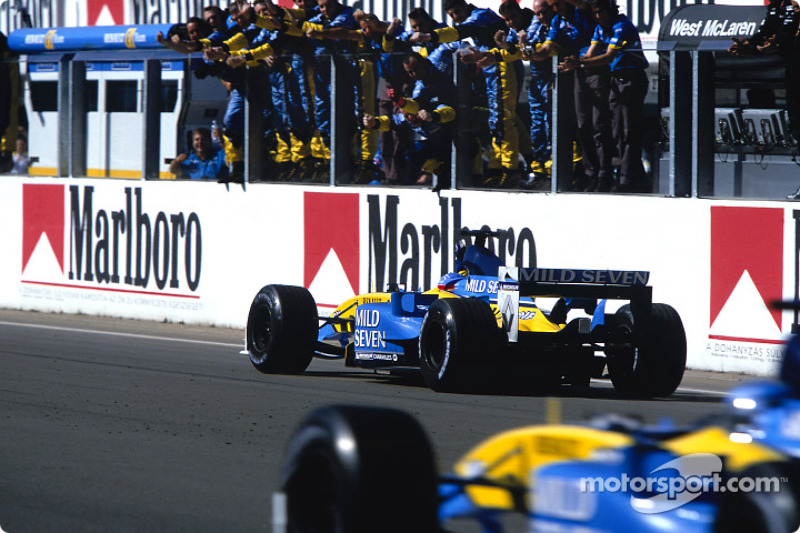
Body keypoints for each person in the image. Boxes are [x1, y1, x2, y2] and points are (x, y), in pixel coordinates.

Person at [410, 0, 522, 188]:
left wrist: (430, 36)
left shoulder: (479, 16)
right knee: (501, 120)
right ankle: (502, 166)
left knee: (503, 119)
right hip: (492, 69)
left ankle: (509, 169)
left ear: (464, 5)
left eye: (457, 12)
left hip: (503, 66)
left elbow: (459, 32)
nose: (456, 17)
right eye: (451, 15)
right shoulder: (472, 20)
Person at [560, 0, 649, 193]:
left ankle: (627, 178)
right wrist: (576, 62)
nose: (598, 17)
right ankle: (633, 175)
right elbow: (591, 53)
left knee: (627, 130)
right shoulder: (600, 28)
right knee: (617, 131)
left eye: (601, 12)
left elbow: (608, 56)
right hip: (616, 80)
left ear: (610, 10)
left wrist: (581, 64)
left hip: (631, 79)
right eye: (595, 14)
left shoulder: (621, 26)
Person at [728, 0, 800, 199]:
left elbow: (785, 35)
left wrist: (771, 46)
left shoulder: (792, 5)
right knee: (796, 124)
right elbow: (767, 30)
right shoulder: (776, 7)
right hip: (794, 73)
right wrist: (750, 45)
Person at [364, 53, 457, 185]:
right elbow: (391, 121)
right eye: (410, 72)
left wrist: (433, 116)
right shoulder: (410, 110)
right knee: (413, 153)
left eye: (416, 69)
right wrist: (374, 123)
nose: (413, 74)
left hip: (454, 140)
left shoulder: (430, 106)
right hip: (437, 146)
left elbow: (450, 112)